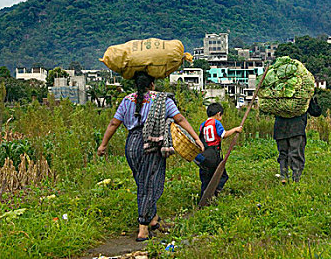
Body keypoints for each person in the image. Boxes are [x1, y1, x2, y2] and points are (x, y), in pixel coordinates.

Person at [97, 72, 204, 242]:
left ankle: (153, 219)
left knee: (142, 182)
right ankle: (143, 228)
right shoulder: (162, 100)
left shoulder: (127, 100)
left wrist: (103, 145)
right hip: (151, 144)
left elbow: (114, 123)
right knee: (149, 185)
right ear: (152, 84)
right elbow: (180, 119)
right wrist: (196, 138)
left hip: (131, 145)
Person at [197, 103, 242, 198]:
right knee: (222, 175)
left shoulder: (203, 124)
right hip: (214, 154)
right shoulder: (216, 123)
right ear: (218, 114)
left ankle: (203, 197)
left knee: (206, 178)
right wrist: (235, 130)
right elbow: (223, 135)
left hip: (204, 155)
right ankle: (215, 192)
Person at [273, 96, 321, 184]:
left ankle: (283, 176)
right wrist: (312, 98)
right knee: (296, 154)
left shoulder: (278, 93)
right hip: (296, 128)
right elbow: (316, 112)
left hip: (280, 128)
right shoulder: (302, 94)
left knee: (283, 153)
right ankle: (296, 179)